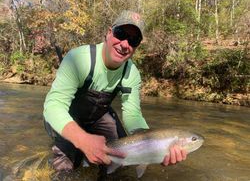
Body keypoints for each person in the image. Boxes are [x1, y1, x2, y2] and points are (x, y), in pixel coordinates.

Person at [43, 10, 187, 172]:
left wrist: (155, 149)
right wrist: (83, 140)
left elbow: (132, 115)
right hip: (67, 117)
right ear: (109, 32)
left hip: (97, 117)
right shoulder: (78, 59)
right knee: (65, 169)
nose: (125, 44)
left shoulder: (131, 73)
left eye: (133, 40)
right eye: (121, 34)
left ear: (137, 45)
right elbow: (53, 107)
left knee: (120, 163)